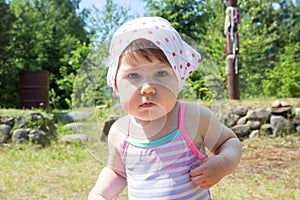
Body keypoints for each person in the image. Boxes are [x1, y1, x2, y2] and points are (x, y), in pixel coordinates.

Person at [89, 16, 242, 200]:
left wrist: (224, 163)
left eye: (161, 73)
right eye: (134, 75)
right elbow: (117, 172)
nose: (147, 87)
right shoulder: (120, 132)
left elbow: (228, 142)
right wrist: (99, 194)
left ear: (179, 78)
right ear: (115, 83)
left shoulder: (192, 118)